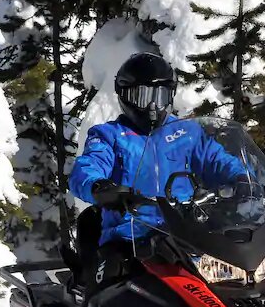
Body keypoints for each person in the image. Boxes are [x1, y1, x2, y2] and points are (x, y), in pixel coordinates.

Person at [68, 52, 247, 289]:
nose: (152, 106)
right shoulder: (109, 135)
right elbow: (88, 167)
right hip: (130, 235)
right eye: (142, 97)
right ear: (125, 97)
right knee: (111, 283)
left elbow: (217, 159)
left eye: (160, 96)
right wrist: (100, 187)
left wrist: (242, 178)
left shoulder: (186, 133)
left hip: (187, 232)